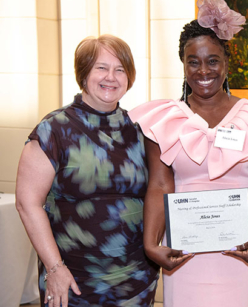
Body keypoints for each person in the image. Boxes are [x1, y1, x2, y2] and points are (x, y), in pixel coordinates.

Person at [127, 0, 248, 306]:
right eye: (193, 61)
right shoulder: (164, 119)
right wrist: (151, 244)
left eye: (213, 60)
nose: (204, 71)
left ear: (227, 62)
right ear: (183, 64)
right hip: (185, 251)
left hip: (241, 250)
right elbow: (160, 186)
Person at [15, 34, 159, 307]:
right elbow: (27, 204)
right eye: (101, 68)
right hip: (74, 281)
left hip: (136, 280)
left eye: (120, 69)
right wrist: (55, 269)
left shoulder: (142, 129)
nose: (111, 77)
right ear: (83, 74)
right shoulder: (54, 129)